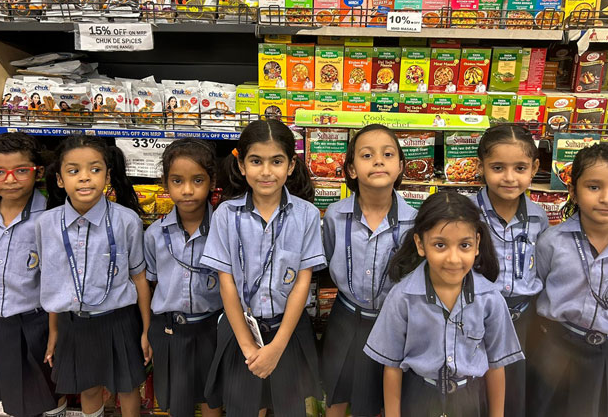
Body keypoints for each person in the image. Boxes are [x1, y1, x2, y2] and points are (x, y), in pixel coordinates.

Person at [200, 120, 326, 417]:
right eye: (256, 161)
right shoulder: (225, 215)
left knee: (289, 408)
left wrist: (277, 347)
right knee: (243, 408)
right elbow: (226, 282)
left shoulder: (306, 215)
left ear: (291, 166)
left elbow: (302, 282)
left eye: (276, 161)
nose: (266, 171)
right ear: (241, 165)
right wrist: (248, 346)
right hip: (240, 332)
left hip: (288, 332)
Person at [527, 144, 608, 417]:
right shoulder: (551, 242)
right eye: (594, 187)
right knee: (544, 409)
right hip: (555, 345)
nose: (606, 198)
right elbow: (538, 288)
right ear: (573, 192)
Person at [364, 191, 524, 417]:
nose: (453, 259)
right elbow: (392, 366)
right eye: (440, 245)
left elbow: (496, 365)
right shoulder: (402, 297)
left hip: (470, 400)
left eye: (464, 245)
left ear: (477, 244)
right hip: (418, 399)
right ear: (420, 244)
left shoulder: (490, 298)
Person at [37, 136, 151, 417]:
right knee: (88, 388)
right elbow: (54, 283)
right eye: (73, 170)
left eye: (95, 169)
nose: (85, 177)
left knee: (127, 387)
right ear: (60, 179)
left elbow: (139, 278)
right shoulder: (46, 224)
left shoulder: (127, 221)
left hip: (119, 321)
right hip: (74, 324)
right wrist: (54, 331)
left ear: (107, 176)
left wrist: (146, 330)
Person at [0, 133, 67, 417]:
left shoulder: (51, 217)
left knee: (47, 388)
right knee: (11, 392)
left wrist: (54, 329)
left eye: (21, 171)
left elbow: (58, 279)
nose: (9, 180)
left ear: (38, 172)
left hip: (39, 320)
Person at [321, 124, 416, 417]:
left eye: (387, 154)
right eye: (366, 155)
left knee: (385, 396)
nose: (378, 161)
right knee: (336, 392)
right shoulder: (335, 215)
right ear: (351, 169)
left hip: (394, 321)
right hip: (345, 316)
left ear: (400, 166)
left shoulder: (415, 222)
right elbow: (328, 257)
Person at [472, 124, 549, 417]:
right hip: (475, 315)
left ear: (534, 168)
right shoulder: (466, 213)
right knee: (474, 390)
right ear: (480, 166)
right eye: (497, 167)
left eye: (520, 168)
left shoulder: (538, 217)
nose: (509, 177)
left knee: (513, 394)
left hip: (521, 319)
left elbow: (541, 266)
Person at [144, 140, 223, 417]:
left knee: (212, 397)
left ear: (212, 182)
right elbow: (151, 283)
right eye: (177, 181)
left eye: (198, 180)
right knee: (178, 401)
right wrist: (147, 331)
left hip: (212, 328)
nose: (187, 190)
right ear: (165, 183)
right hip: (170, 331)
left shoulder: (223, 230)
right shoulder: (154, 234)